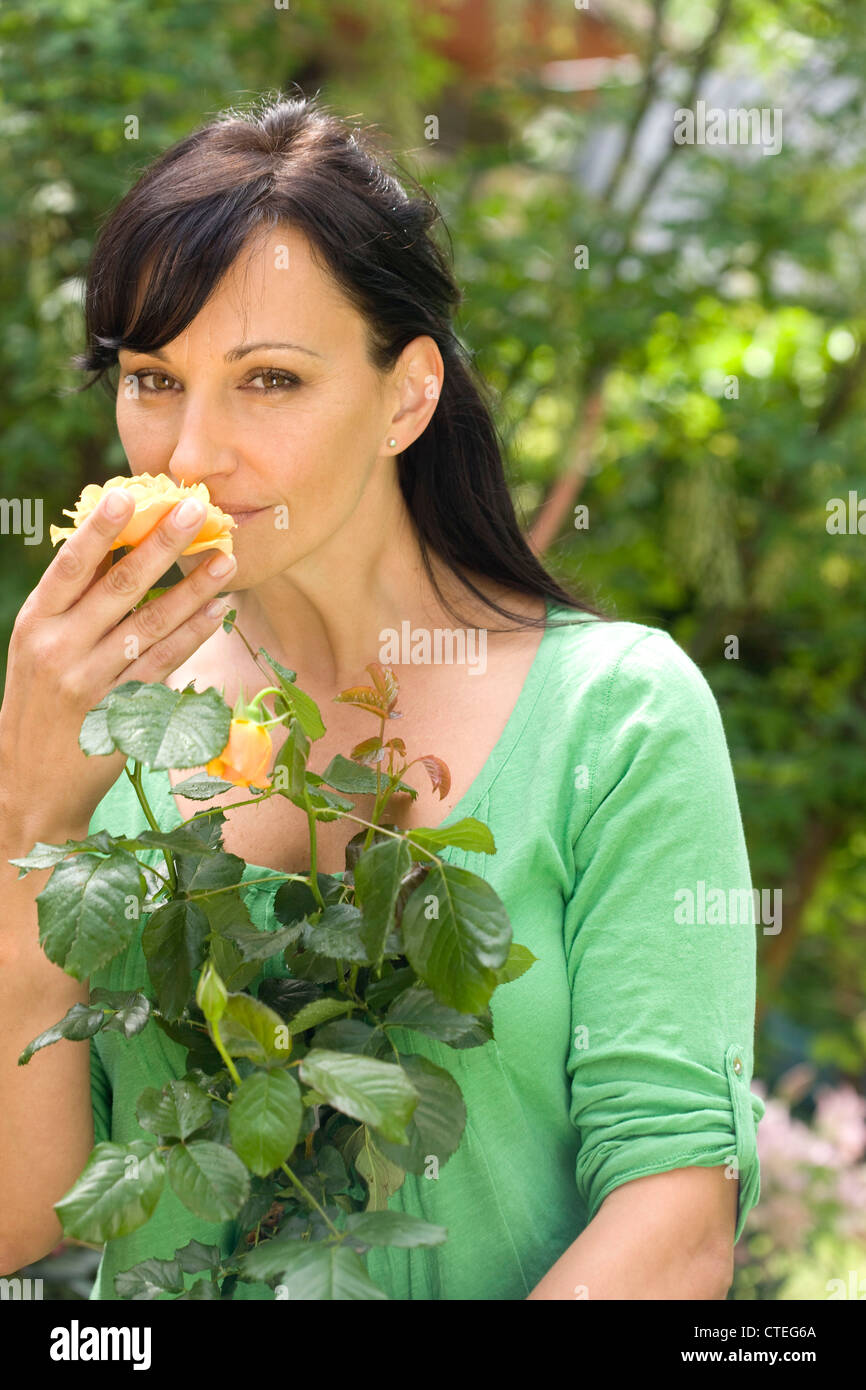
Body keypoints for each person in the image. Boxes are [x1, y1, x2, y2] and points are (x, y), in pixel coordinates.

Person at [0, 91, 763, 1300]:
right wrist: (26, 830)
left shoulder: (617, 716)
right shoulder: (98, 727)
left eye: (267, 380)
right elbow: (22, 1222)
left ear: (405, 395)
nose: (188, 451)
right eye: (152, 377)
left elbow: (672, 1220)